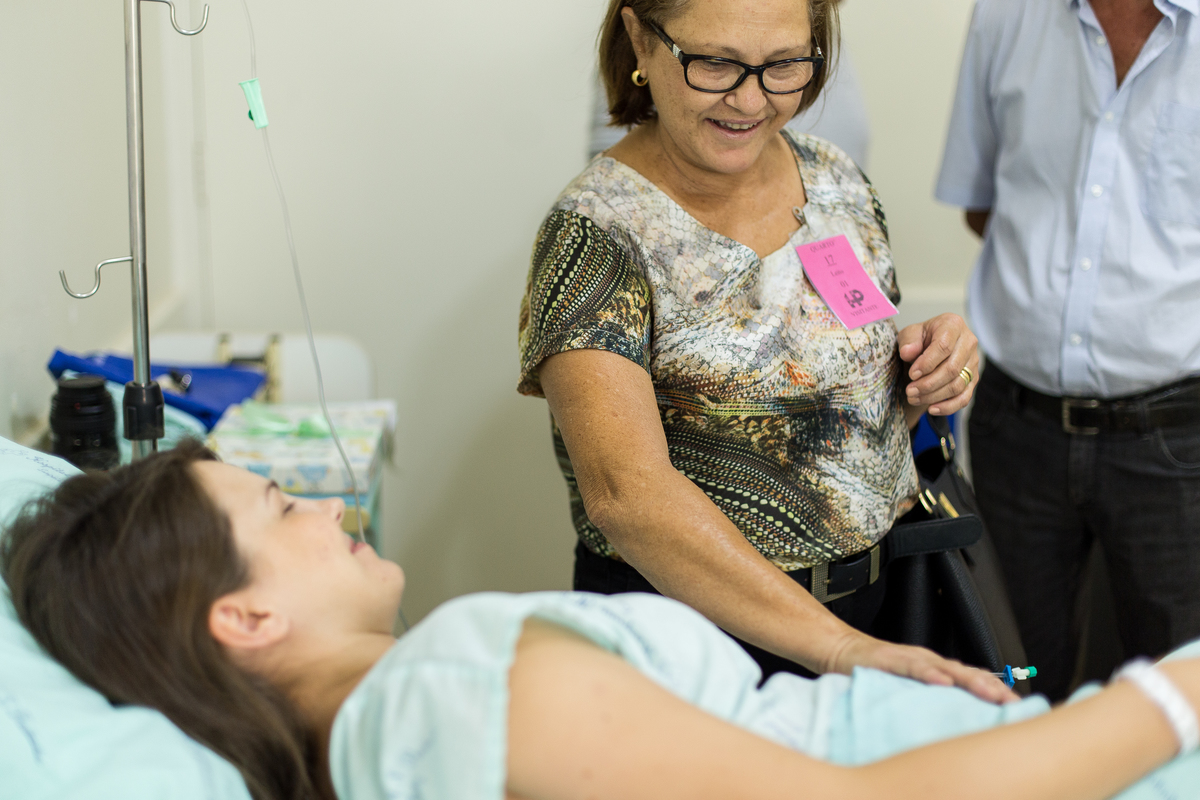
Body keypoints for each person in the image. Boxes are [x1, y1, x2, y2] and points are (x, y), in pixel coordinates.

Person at [4, 443, 1200, 800]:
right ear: (245, 612)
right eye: (280, 505)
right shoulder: (452, 685)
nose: (325, 506)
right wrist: (1172, 696)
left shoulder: (389, 741)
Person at [518, 0, 992, 692]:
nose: (749, 100)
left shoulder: (835, 181)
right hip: (692, 647)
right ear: (640, 40)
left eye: (783, 65)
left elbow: (851, 423)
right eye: (715, 63)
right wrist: (838, 648)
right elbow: (627, 497)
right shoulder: (595, 233)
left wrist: (933, 366)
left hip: (878, 612)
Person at [935, 0, 1200, 700]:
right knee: (1012, 681)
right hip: (1014, 428)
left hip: (1181, 440)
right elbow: (982, 202)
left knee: (1180, 704)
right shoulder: (1006, 14)